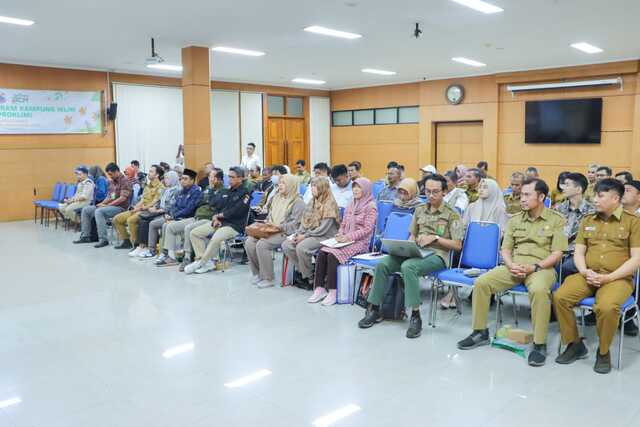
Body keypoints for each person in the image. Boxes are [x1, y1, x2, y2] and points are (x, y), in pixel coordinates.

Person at [457, 178, 567, 367]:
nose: (522, 199)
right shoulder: (515, 220)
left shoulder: (556, 220)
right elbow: (505, 249)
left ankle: (539, 344)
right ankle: (480, 331)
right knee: (482, 283)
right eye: (521, 195)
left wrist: (535, 267)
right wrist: (509, 264)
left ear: (541, 197)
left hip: (541, 268)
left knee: (539, 291)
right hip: (514, 266)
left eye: (527, 195)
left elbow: (557, 253)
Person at [358, 174, 463, 338]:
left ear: (444, 192)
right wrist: (408, 246)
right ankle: (375, 308)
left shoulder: (452, 214)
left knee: (408, 267)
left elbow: (457, 245)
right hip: (417, 251)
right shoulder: (420, 210)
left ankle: (415, 316)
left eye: (435, 192)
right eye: (427, 191)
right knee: (382, 264)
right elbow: (412, 235)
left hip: (438, 255)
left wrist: (435, 238)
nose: (431, 195)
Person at [554, 178, 640, 374]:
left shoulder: (633, 222)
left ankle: (603, 352)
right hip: (588, 273)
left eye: (600, 196)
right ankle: (575, 344)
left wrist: (609, 278)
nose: (595, 199)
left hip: (618, 278)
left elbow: (636, 259)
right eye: (594, 195)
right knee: (560, 297)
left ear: (615, 198)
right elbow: (578, 252)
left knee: (607, 307)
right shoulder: (588, 220)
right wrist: (584, 271)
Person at [440, 178, 509, 309]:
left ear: (493, 190)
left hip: (491, 249)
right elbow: (463, 226)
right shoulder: (472, 207)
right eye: (480, 187)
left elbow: (503, 232)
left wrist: (483, 239)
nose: (481, 189)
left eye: (485, 187)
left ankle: (484, 291)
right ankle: (452, 293)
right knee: (455, 252)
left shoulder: (500, 209)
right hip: (471, 246)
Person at [309, 178, 378, 305]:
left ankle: (333, 291)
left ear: (366, 189)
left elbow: (367, 230)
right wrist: (340, 234)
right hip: (345, 240)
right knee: (322, 252)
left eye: (359, 187)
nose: (355, 190)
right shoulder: (351, 203)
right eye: (354, 187)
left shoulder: (371, 206)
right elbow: (344, 223)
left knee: (332, 256)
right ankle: (319, 288)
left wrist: (348, 237)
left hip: (360, 243)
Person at [185, 167, 251, 274]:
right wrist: (216, 216)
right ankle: (206, 262)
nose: (229, 179)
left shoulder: (245, 193)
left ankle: (200, 262)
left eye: (232, 177)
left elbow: (237, 211)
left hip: (234, 225)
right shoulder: (227, 190)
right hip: (221, 222)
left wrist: (221, 216)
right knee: (194, 233)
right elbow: (216, 205)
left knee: (216, 238)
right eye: (229, 176)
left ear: (240, 178)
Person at [245, 175, 305, 288]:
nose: (279, 185)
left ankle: (269, 278)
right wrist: (267, 223)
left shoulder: (298, 202)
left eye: (283, 183)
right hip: (272, 229)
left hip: (286, 232)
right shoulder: (276, 197)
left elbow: (296, 225)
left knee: (262, 244)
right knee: (249, 242)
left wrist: (278, 226)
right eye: (279, 183)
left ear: (291, 185)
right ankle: (258, 274)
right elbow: (270, 215)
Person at [159, 170, 225, 269]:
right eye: (209, 176)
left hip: (208, 219)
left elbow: (212, 204)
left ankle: (187, 257)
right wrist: (172, 215)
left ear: (217, 179)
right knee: (170, 227)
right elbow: (198, 203)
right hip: (196, 217)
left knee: (188, 228)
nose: (209, 179)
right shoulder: (205, 189)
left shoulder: (222, 191)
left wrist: (209, 195)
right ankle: (171, 256)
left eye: (211, 176)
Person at [282, 177, 340, 289]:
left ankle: (310, 278)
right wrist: (298, 234)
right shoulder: (312, 201)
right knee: (287, 245)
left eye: (315, 186)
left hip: (325, 236)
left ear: (322, 188)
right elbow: (305, 221)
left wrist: (304, 236)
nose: (312, 188)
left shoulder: (330, 204)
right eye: (312, 185)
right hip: (310, 233)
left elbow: (323, 229)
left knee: (302, 248)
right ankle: (305, 271)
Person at [74, 163, 132, 248]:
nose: (110, 176)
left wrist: (107, 206)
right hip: (110, 206)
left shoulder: (125, 181)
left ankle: (103, 239)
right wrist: (103, 203)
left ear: (116, 172)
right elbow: (110, 196)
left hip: (121, 208)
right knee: (86, 210)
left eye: (111, 174)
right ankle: (86, 236)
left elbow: (122, 198)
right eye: (109, 174)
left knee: (99, 211)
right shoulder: (112, 182)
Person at [153, 169, 203, 266]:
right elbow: (175, 206)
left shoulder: (196, 191)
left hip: (191, 218)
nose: (182, 181)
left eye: (185, 179)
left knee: (170, 227)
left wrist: (174, 216)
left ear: (192, 180)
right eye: (181, 179)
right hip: (179, 218)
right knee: (165, 225)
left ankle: (172, 257)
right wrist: (170, 214)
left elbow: (189, 209)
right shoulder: (181, 192)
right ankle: (166, 253)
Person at [112, 165, 164, 250]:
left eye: (151, 172)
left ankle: (136, 245)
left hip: (149, 211)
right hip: (140, 209)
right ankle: (126, 241)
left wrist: (139, 209)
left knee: (131, 220)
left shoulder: (160, 187)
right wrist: (135, 208)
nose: (149, 173)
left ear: (157, 175)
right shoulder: (148, 186)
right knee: (117, 219)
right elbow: (142, 200)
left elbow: (154, 202)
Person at [554, 172, 594, 278]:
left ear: (578, 189)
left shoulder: (592, 211)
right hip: (558, 250)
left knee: (565, 267)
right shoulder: (558, 209)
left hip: (581, 252)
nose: (563, 188)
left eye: (567, 185)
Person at [134, 171, 181, 258]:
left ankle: (152, 249)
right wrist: (155, 207)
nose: (165, 180)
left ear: (173, 179)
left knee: (152, 223)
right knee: (143, 219)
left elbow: (172, 206)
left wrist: (158, 210)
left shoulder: (176, 191)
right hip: (160, 211)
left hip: (167, 213)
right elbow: (159, 201)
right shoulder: (166, 190)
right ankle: (144, 247)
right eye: (165, 178)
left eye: (167, 178)